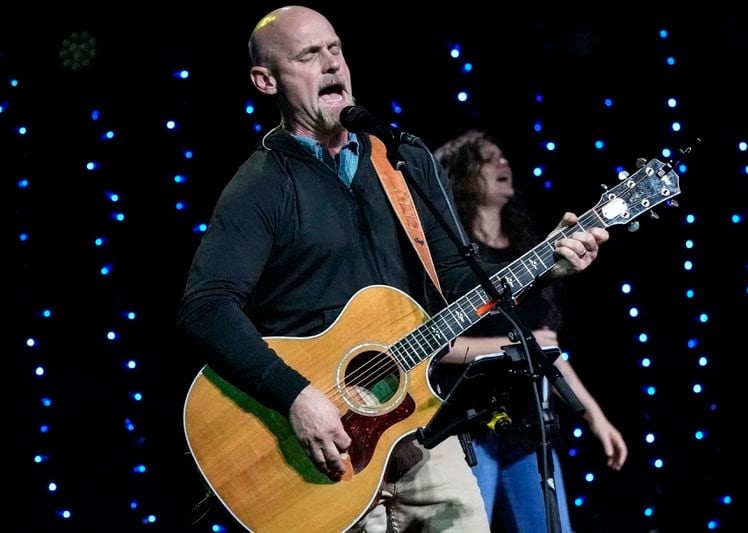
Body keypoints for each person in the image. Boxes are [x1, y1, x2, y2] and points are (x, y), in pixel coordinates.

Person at [177, 6, 609, 532]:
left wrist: (547, 266)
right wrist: (295, 397)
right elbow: (205, 309)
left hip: (420, 425)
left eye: (335, 49)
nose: (332, 64)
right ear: (266, 81)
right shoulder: (261, 185)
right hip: (323, 452)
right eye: (309, 55)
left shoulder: (402, 158)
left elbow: (455, 280)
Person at [432, 129, 628, 532]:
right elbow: (436, 345)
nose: (503, 164)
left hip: (528, 430)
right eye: (487, 158)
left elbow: (546, 346)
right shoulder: (450, 259)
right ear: (462, 174)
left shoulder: (529, 258)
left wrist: (596, 417)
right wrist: (512, 344)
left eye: (504, 156)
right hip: (468, 432)